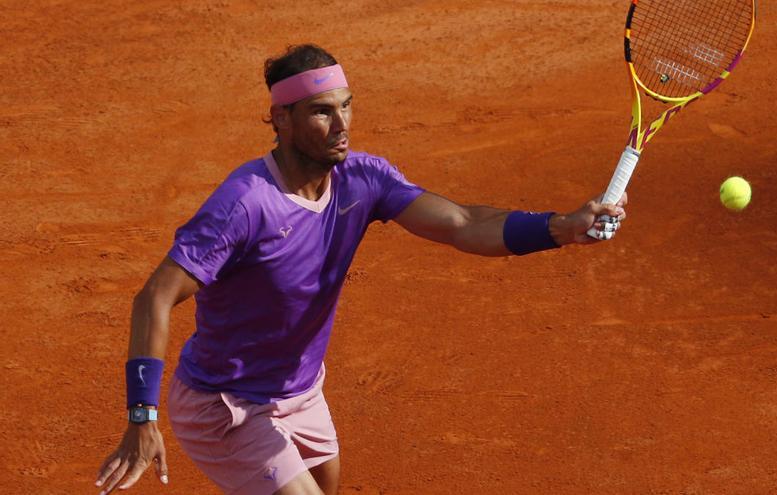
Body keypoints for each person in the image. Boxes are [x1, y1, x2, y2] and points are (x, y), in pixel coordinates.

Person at [94, 44, 627, 495]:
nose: (342, 124)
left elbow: (462, 223)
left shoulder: (363, 179)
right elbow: (154, 297)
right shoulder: (244, 205)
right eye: (323, 111)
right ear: (282, 118)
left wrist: (559, 227)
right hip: (226, 403)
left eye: (346, 106)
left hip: (301, 392)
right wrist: (141, 417)